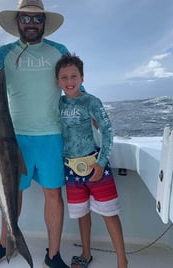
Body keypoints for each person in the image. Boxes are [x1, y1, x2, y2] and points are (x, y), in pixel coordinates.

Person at [0, 0, 70, 268]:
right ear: (17, 22)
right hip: (13, 137)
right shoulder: (2, 53)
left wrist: (89, 110)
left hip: (51, 135)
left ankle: (53, 255)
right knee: (11, 192)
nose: (31, 23)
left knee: (54, 194)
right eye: (26, 19)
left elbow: (71, 84)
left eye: (37, 19)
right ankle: (5, 244)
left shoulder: (58, 51)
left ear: (44, 23)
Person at [55, 53, 128, 268]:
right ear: (58, 81)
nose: (69, 81)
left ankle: (122, 260)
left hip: (96, 165)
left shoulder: (91, 101)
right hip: (71, 168)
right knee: (82, 214)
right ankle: (85, 254)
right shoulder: (58, 104)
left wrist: (101, 162)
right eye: (64, 77)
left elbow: (108, 131)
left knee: (109, 213)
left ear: (82, 78)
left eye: (74, 76)